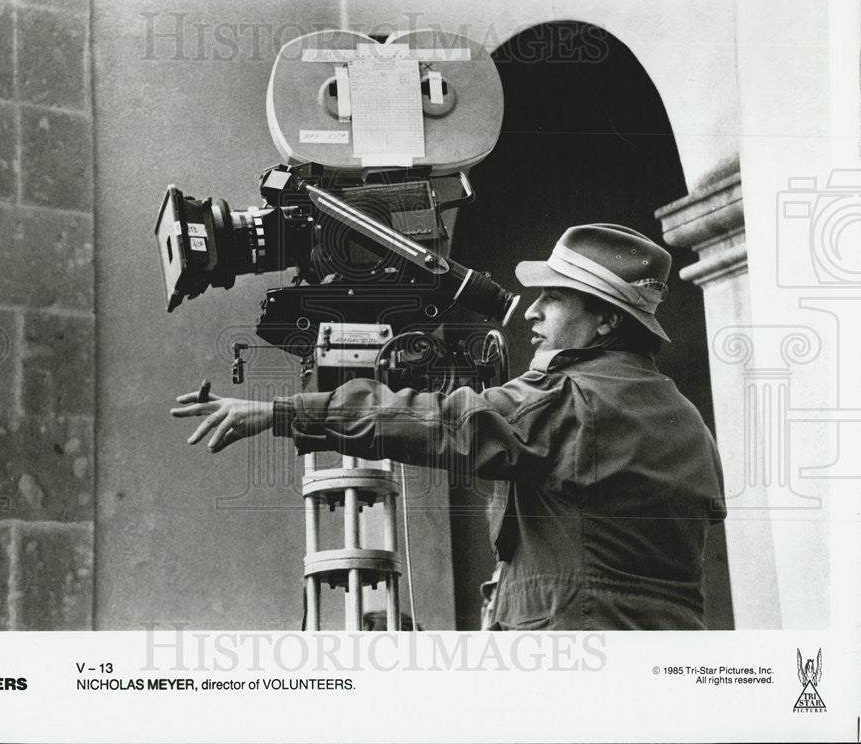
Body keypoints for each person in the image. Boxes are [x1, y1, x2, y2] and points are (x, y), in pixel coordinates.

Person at [172, 224, 726, 630]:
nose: (531, 313)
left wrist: (281, 411)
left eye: (553, 299)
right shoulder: (686, 420)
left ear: (606, 320)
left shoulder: (569, 400)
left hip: (567, 654)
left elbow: (442, 421)